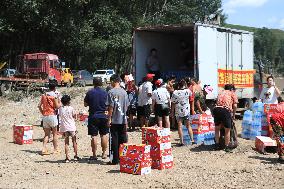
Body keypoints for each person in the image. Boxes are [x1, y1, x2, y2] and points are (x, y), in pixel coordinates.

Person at [106, 74, 129, 165]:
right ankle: (123, 159)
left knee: (114, 140)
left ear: (113, 81)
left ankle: (115, 160)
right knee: (123, 139)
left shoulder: (111, 92)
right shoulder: (124, 92)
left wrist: (109, 119)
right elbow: (127, 106)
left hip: (115, 120)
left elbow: (111, 107)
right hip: (123, 119)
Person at [84, 77, 108, 161]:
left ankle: (94, 155)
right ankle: (104, 153)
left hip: (93, 116)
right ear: (101, 83)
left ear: (93, 83)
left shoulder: (90, 92)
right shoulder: (105, 93)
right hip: (103, 116)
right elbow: (108, 105)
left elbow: (85, 104)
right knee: (104, 135)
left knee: (94, 136)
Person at [213, 84, 238, 152]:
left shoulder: (220, 93)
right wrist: (233, 114)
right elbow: (235, 105)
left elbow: (216, 102)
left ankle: (217, 145)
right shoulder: (232, 93)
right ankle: (227, 147)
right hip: (225, 110)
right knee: (227, 130)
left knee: (217, 129)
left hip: (216, 109)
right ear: (232, 89)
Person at [38, 83, 61, 155]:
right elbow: (57, 106)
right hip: (52, 115)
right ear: (54, 88)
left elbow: (39, 106)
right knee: (54, 134)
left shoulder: (43, 95)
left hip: (45, 116)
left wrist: (43, 113)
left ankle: (44, 149)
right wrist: (60, 103)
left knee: (46, 134)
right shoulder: (55, 95)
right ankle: (55, 149)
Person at [171, 79, 194, 146]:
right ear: (184, 84)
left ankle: (181, 141)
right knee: (188, 126)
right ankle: (192, 140)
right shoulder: (188, 91)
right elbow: (191, 97)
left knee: (179, 126)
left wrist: (172, 112)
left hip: (178, 111)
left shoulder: (175, 92)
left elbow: (173, 103)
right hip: (186, 110)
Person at [59, 95, 79, 163]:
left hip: (64, 127)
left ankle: (67, 157)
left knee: (66, 142)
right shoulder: (71, 108)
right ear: (69, 101)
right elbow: (74, 116)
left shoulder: (60, 109)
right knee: (74, 141)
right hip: (71, 126)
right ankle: (76, 156)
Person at [270, 96, 284, 162]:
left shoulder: (278, 106)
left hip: (274, 120)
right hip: (277, 121)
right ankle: (282, 156)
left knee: (280, 138)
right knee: (281, 138)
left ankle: (281, 155)